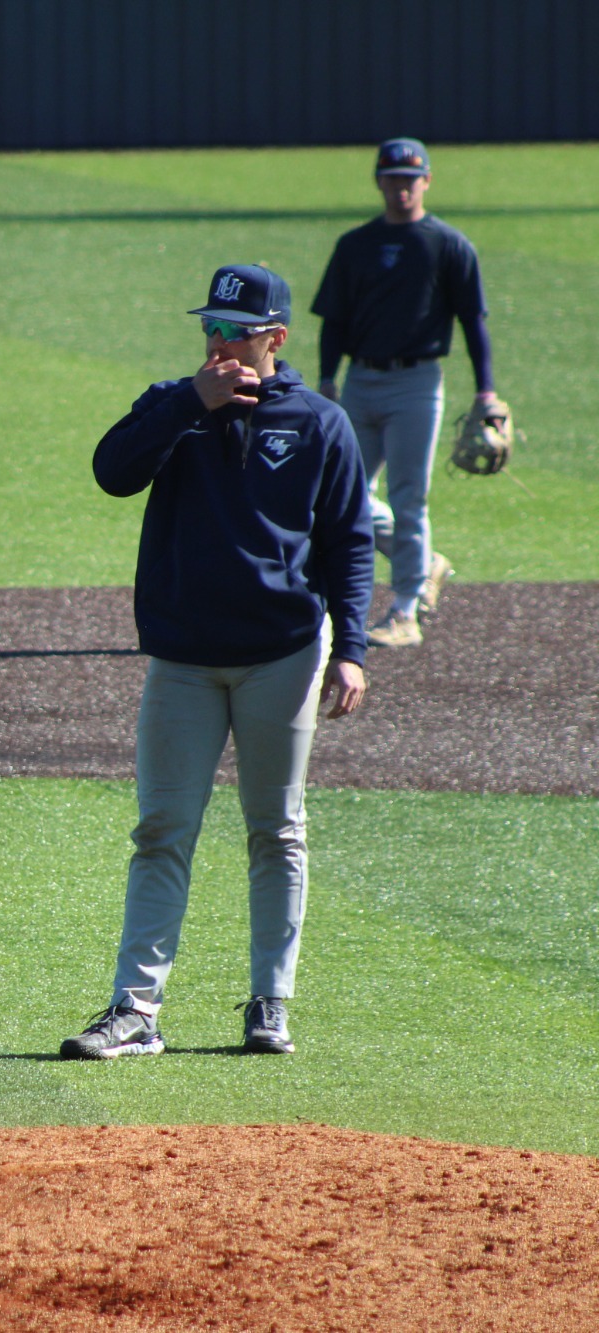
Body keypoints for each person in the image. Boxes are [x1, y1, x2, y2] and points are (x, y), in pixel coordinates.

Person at [63, 264, 374, 1062]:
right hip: (184, 660)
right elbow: (111, 471)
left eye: (237, 330)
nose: (220, 342)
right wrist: (184, 406)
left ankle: (270, 1003)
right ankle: (136, 1011)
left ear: (276, 336)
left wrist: (354, 651)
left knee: (277, 830)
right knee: (163, 829)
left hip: (284, 656)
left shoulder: (318, 422)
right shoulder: (175, 405)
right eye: (211, 327)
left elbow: (348, 543)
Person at [312, 137, 496, 649]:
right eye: (392, 177)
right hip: (359, 379)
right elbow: (334, 318)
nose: (401, 187)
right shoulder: (355, 245)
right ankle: (422, 561)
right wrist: (327, 380)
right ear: (379, 181)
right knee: (341, 493)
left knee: (408, 496)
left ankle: (405, 611)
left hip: (417, 382)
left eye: (410, 178)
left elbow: (472, 322)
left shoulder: (447, 244)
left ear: (427, 181)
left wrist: (486, 392)